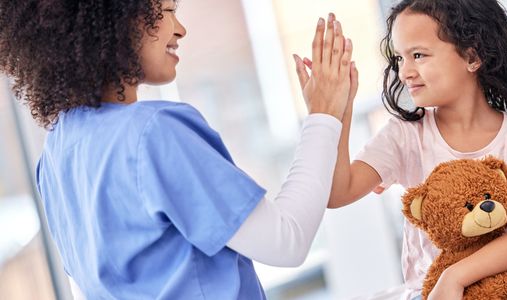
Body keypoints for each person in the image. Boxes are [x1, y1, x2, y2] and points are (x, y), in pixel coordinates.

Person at [0, 0, 358, 299]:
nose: (179, 29)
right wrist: (324, 115)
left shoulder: (55, 159)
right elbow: (287, 240)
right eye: (164, 11)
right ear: (117, 19)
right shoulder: (153, 133)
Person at [307, 0, 507, 299]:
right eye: (400, 58)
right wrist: (338, 109)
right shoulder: (404, 136)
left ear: (471, 56)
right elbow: (337, 192)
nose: (405, 73)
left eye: (418, 55)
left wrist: (454, 277)